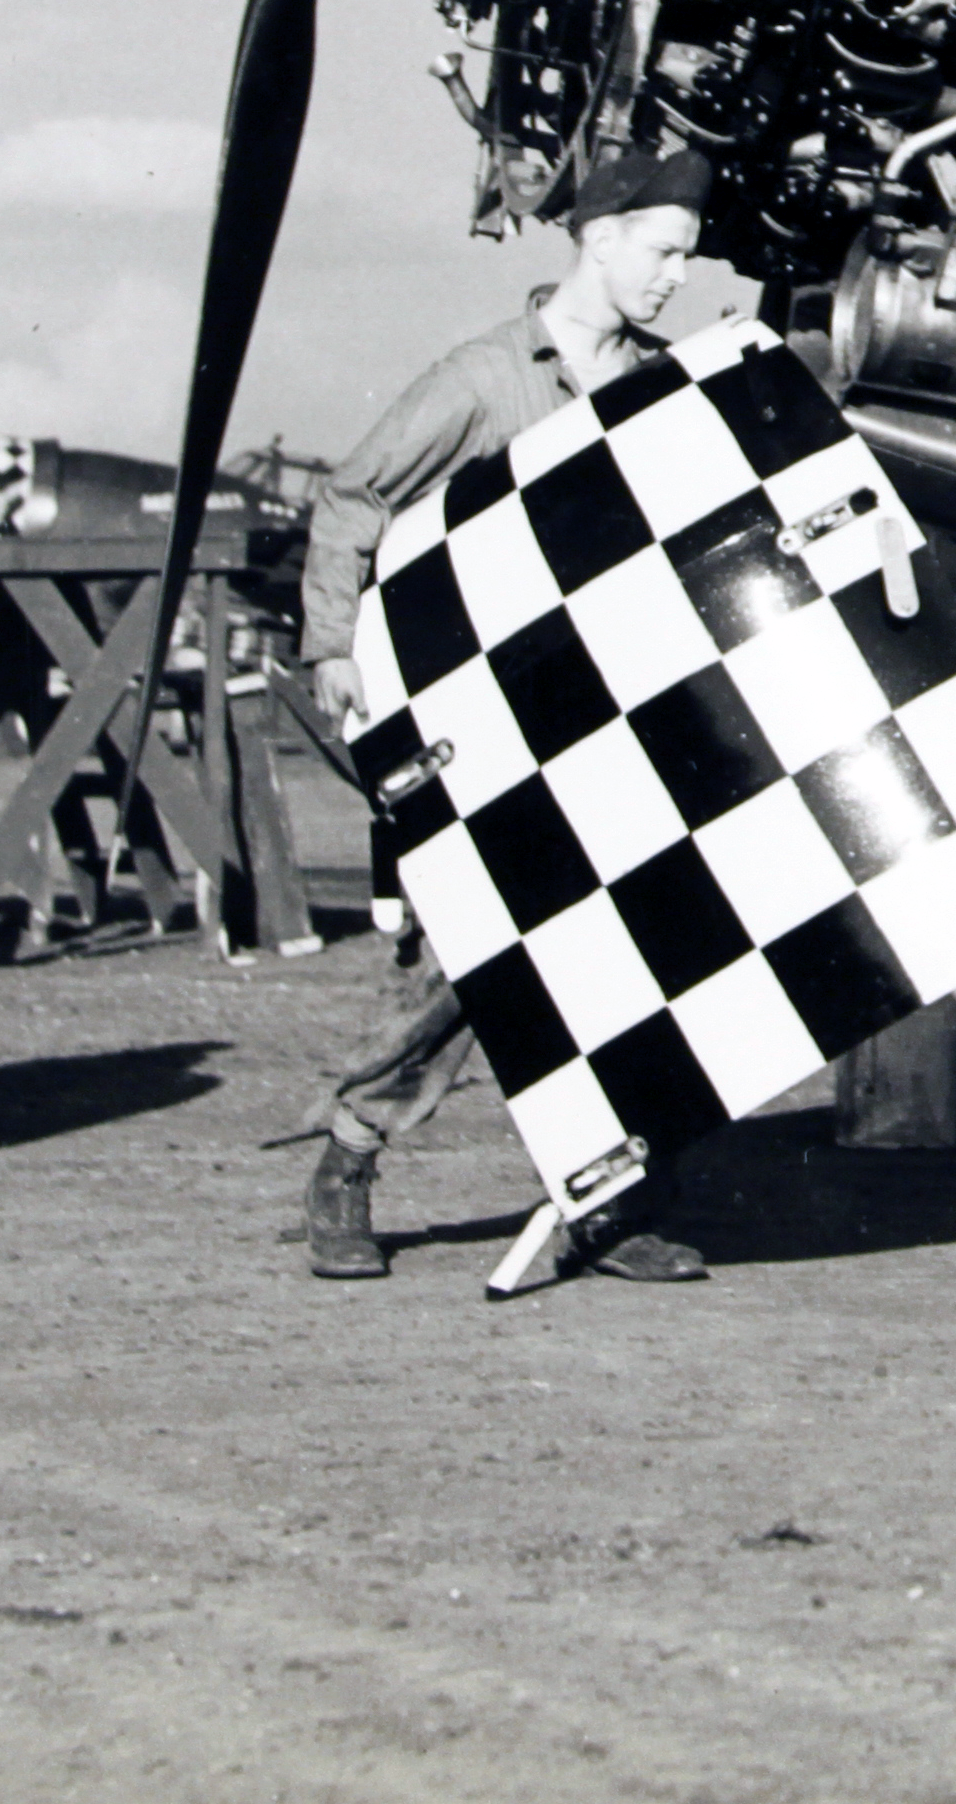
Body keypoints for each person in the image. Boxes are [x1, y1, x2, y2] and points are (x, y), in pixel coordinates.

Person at [294, 144, 718, 1286]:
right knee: (467, 966)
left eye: (687, 259)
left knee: (621, 960)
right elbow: (353, 498)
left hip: (611, 724)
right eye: (664, 253)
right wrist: (335, 645)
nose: (676, 277)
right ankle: (347, 1159)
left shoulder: (661, 378)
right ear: (599, 236)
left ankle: (607, 1203)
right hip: (479, 726)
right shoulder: (483, 380)